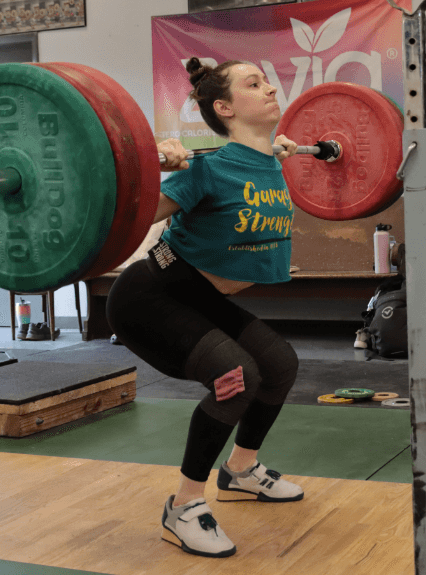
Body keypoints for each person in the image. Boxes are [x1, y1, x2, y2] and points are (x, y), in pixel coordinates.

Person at [106, 58, 303, 559]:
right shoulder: (204, 168)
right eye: (253, 84)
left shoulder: (268, 160)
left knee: (279, 364)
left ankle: (240, 471)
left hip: (202, 298)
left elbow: (263, 164)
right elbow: (130, 222)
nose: (270, 88)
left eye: (267, 81)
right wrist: (152, 166)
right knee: (236, 375)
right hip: (150, 295)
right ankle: (184, 506)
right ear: (224, 108)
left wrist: (276, 151)